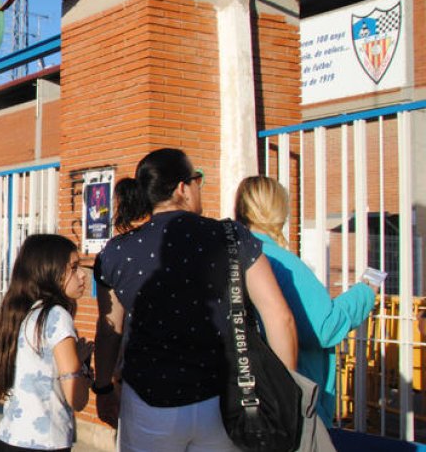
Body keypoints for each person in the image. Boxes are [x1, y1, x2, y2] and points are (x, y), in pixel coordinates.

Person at [92, 148, 298, 452]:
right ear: (182, 188)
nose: (199, 186)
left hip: (148, 400)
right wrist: (283, 395)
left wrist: (103, 387)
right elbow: (280, 317)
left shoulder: (116, 252)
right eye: (197, 179)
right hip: (224, 401)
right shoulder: (231, 236)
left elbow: (110, 329)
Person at [234, 175, 377, 423]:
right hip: (293, 399)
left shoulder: (231, 254)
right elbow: (324, 327)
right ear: (278, 210)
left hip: (241, 394)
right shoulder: (282, 262)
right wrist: (364, 293)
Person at [0, 234, 93, 452]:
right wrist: (81, 366)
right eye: (74, 268)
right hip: (44, 441)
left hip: (8, 436)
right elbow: (76, 398)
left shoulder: (21, 313)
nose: (82, 275)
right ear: (49, 271)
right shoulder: (56, 316)